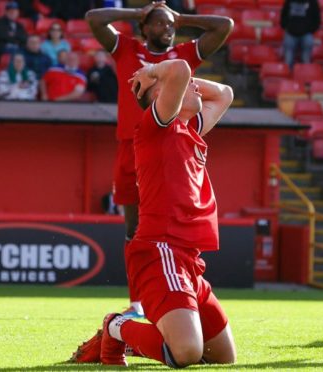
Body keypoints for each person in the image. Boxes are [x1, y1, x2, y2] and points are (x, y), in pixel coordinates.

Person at [73, 59, 236, 368]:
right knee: (187, 353)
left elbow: (225, 94)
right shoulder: (157, 125)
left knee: (223, 358)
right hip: (161, 250)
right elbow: (180, 71)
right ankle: (115, 326)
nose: (193, 84)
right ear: (159, 95)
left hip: (188, 259)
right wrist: (150, 72)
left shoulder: (188, 128)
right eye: (183, 86)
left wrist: (171, 81)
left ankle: (148, 336)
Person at [81, 1, 232, 320]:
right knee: (135, 227)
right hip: (133, 145)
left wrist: (181, 18)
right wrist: (137, 13)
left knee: (168, 217)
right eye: (160, 23)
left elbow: (224, 26)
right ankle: (138, 301)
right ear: (145, 28)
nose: (168, 28)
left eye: (171, 25)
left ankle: (177, 286)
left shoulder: (184, 56)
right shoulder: (128, 49)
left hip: (171, 140)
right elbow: (94, 19)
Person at [280, 0, 321, 67]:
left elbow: (317, 19)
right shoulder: (289, 1)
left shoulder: (312, 2)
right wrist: (287, 27)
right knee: (288, 61)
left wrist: (310, 30)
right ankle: (288, 76)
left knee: (306, 60)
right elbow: (283, 15)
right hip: (290, 33)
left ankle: (305, 76)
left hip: (306, 34)